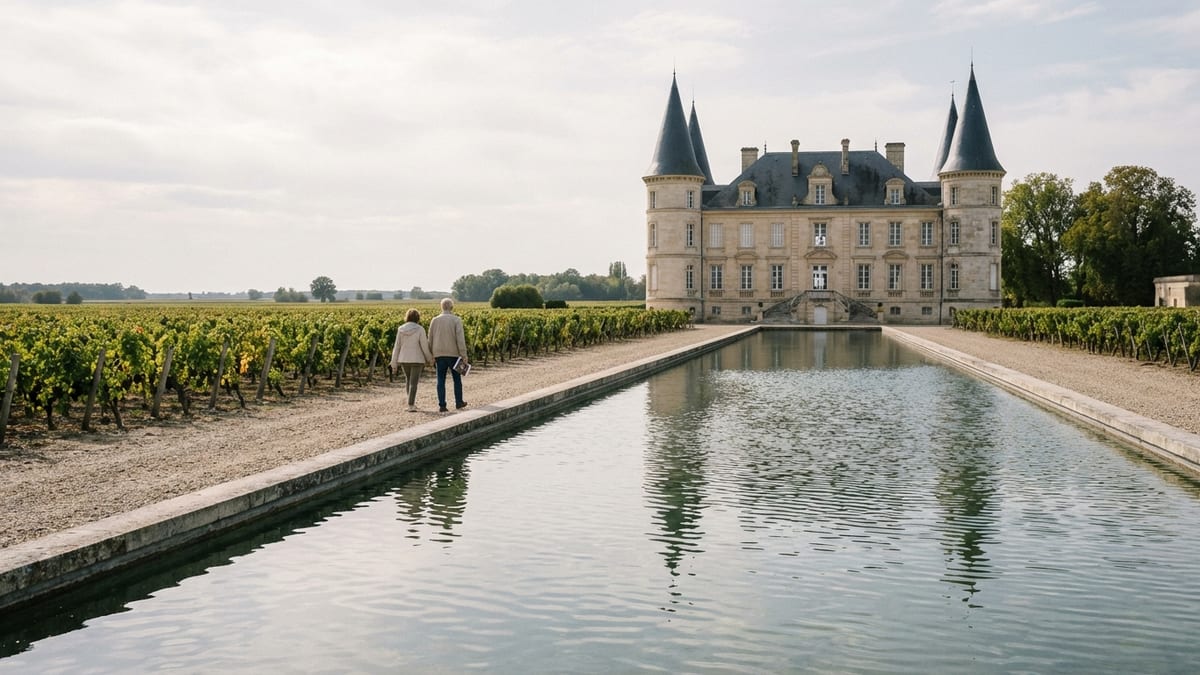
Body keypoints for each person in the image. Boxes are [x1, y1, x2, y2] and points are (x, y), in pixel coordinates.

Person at [428, 297, 468, 412]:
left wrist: (431, 355)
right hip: (454, 354)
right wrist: (464, 355)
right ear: (452, 307)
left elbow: (430, 339)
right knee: (457, 379)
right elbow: (460, 339)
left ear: (441, 307)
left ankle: (442, 405)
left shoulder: (434, 320)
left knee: (440, 380)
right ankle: (459, 402)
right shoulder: (456, 320)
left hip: (439, 354)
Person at [390, 309, 434, 412]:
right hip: (417, 359)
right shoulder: (420, 329)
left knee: (408, 380)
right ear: (417, 317)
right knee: (414, 382)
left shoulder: (400, 329)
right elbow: (424, 346)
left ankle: (410, 403)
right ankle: (411, 404)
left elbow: (397, 346)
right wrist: (430, 359)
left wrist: (394, 362)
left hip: (404, 359)